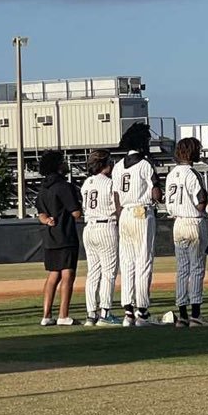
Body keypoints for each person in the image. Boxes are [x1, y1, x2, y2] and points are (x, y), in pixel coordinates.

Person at [112, 123, 161, 327]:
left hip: (124, 214)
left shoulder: (117, 165)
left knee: (127, 262)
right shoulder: (145, 164)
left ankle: (128, 312)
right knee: (144, 261)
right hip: (141, 211)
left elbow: (115, 195)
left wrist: (120, 214)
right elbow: (155, 192)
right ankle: (142, 311)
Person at [164, 137, 208, 328]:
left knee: (182, 270)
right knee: (197, 269)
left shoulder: (171, 173)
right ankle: (196, 315)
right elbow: (200, 201)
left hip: (178, 223)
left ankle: (182, 315)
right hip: (193, 222)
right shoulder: (192, 173)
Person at [35, 150, 82, 327]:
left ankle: (46, 315)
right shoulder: (64, 186)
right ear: (57, 165)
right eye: (62, 161)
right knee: (68, 273)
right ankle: (63, 314)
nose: (65, 164)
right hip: (65, 235)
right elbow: (76, 212)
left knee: (53, 274)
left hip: (50, 237)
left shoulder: (43, 188)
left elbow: (41, 214)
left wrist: (47, 220)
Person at [79, 149, 121, 326]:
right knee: (109, 273)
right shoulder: (110, 183)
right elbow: (118, 207)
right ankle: (105, 313)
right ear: (105, 163)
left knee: (93, 273)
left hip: (89, 227)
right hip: (106, 226)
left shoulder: (86, 183)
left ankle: (91, 314)